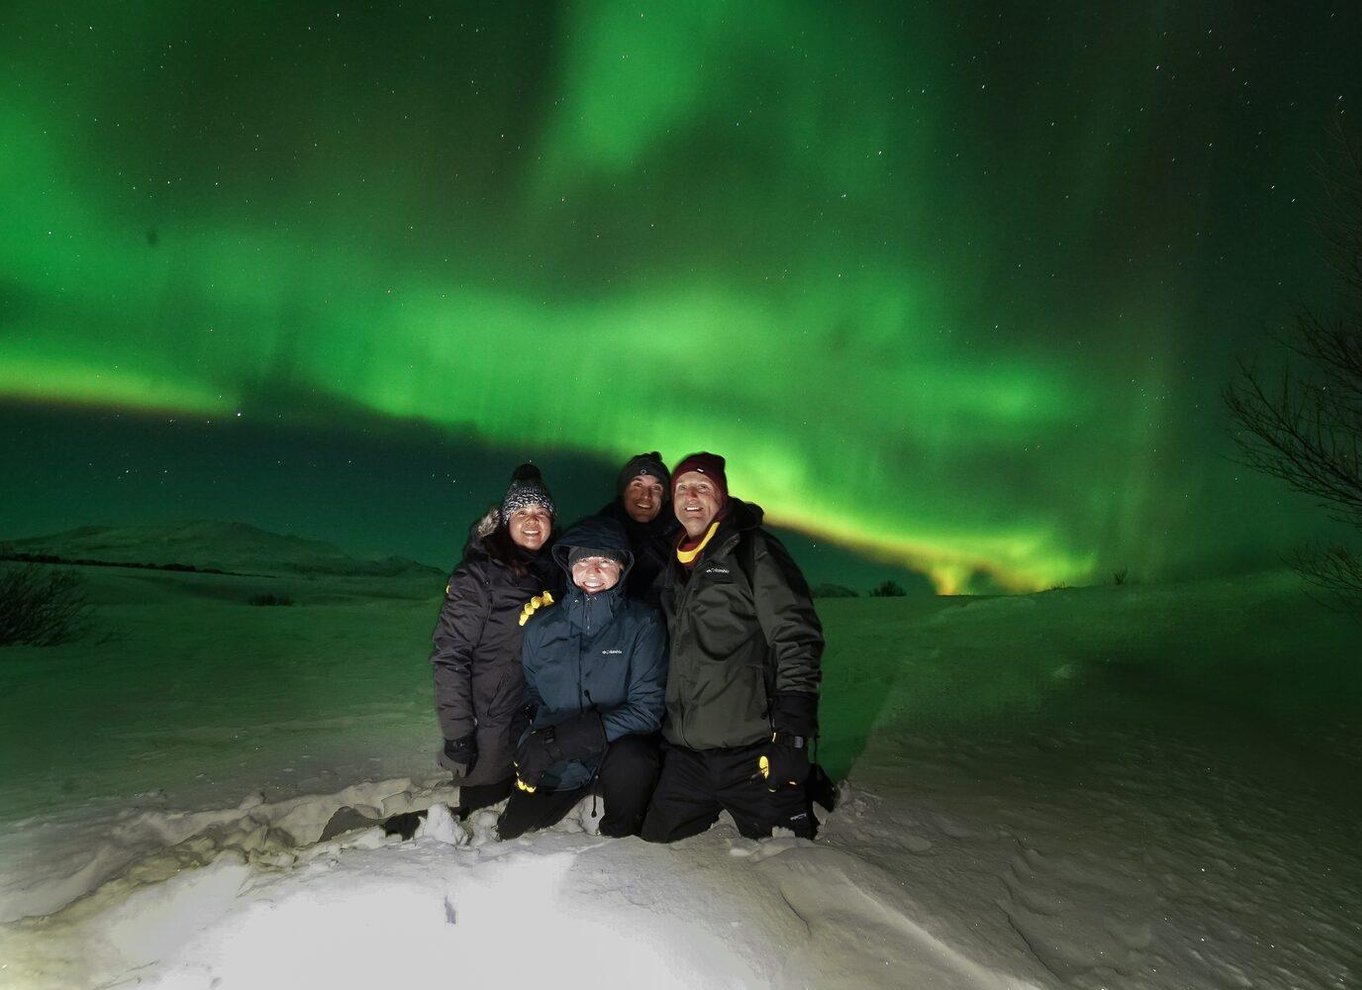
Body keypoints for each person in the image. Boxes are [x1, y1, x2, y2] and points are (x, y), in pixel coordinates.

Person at [641, 452, 824, 843]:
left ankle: (809, 784)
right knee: (653, 849)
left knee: (791, 857)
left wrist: (793, 735)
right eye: (682, 489)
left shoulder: (752, 551)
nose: (691, 496)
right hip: (687, 757)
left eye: (702, 487)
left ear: (721, 496)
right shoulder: (673, 564)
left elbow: (796, 636)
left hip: (751, 754)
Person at [498, 516, 667, 839]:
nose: (593, 571)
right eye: (584, 560)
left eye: (605, 561)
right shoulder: (541, 626)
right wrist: (527, 740)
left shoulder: (643, 624)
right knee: (513, 833)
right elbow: (532, 693)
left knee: (636, 761)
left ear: (622, 568)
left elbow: (647, 710)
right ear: (569, 566)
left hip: (613, 753)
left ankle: (620, 837)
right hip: (559, 758)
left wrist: (560, 743)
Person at [430, 463, 563, 817]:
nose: (532, 521)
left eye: (540, 511)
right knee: (480, 826)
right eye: (521, 511)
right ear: (506, 520)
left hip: (539, 725)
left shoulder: (560, 572)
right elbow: (450, 656)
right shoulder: (478, 575)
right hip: (488, 730)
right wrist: (458, 734)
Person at [594, 451, 679, 606]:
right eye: (637, 485)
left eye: (656, 488)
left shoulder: (681, 537)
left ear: (665, 497)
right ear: (623, 491)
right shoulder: (599, 532)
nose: (646, 495)